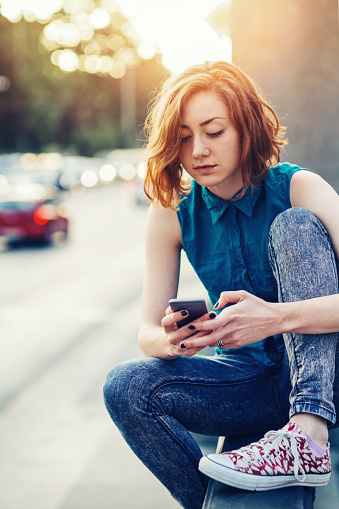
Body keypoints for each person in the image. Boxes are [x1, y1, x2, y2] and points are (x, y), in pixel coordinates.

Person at [103, 61, 339, 509]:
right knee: (125, 387)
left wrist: (274, 319)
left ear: (246, 129)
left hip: (326, 382)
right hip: (245, 382)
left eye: (214, 131)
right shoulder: (171, 212)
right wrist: (175, 341)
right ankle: (210, 502)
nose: (198, 151)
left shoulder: (298, 186)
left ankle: (307, 433)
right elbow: (147, 332)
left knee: (294, 226)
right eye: (184, 137)